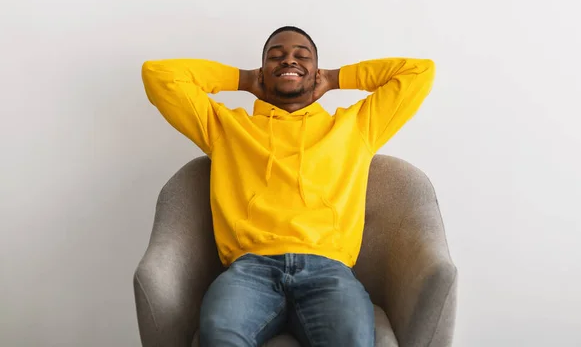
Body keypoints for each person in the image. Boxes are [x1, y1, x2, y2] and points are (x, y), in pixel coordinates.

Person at [141, 26, 435, 347]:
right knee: (220, 338)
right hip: (249, 270)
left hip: (328, 270)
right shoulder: (227, 127)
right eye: (275, 57)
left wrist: (336, 78)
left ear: (315, 70)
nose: (288, 61)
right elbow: (158, 75)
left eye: (301, 56)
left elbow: (418, 72)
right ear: (263, 72)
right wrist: (244, 79)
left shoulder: (356, 126)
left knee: (351, 341)